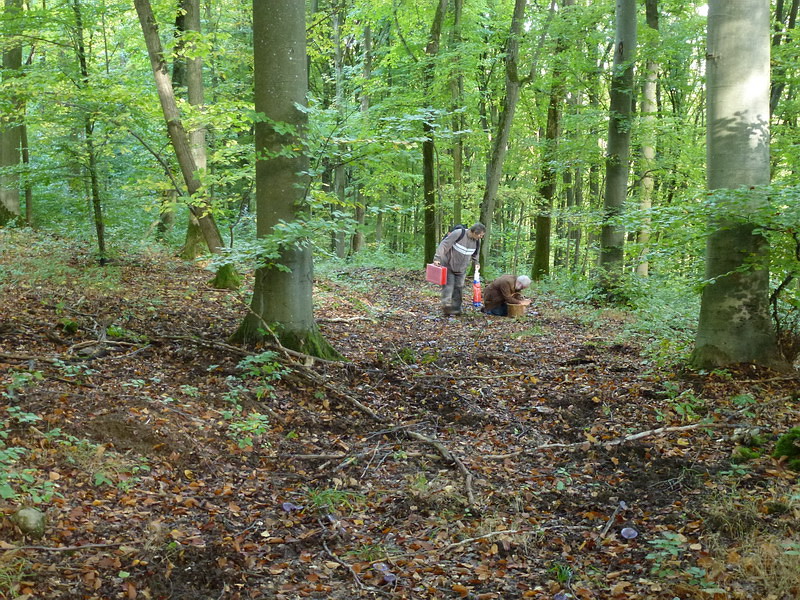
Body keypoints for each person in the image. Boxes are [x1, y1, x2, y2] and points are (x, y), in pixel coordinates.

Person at [432, 223, 486, 316]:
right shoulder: (458, 233)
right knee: (448, 287)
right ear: (474, 232)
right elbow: (444, 245)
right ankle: (446, 308)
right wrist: (437, 258)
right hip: (448, 265)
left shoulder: (477, 241)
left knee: (459, 287)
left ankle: (456, 309)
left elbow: (476, 253)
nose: (481, 237)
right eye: (480, 235)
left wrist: (476, 263)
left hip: (462, 269)